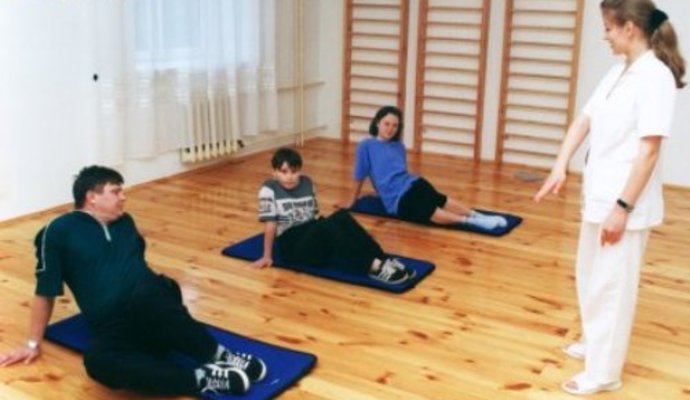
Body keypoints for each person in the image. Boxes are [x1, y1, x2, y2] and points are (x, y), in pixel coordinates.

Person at [0, 166, 268, 397]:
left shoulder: (125, 222)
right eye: (116, 191)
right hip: (114, 326)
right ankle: (200, 379)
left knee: (150, 292)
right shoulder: (57, 232)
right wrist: (32, 344)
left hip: (152, 306)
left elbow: (139, 268)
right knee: (97, 362)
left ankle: (218, 355)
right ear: (92, 197)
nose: (123, 197)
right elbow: (45, 290)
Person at [534, 0, 685, 395]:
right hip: (598, 196)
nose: (605, 36)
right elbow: (583, 120)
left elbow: (649, 151)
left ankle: (604, 373)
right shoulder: (619, 71)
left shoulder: (655, 76)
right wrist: (559, 165)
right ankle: (594, 342)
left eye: (608, 28)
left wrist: (622, 208)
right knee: (590, 276)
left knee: (612, 288)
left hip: (624, 203)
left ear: (629, 27)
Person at [250, 147, 415, 285]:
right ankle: (373, 267)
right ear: (274, 173)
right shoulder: (269, 190)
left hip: (309, 233)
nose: (290, 176)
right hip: (292, 246)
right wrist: (267, 256)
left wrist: (329, 227)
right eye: (284, 172)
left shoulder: (306, 183)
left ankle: (382, 258)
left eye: (294, 171)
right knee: (326, 227)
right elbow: (270, 224)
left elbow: (313, 214)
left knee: (341, 216)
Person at [347, 105, 508, 230]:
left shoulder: (399, 146)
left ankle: (479, 217)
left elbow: (395, 173)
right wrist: (352, 201)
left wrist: (381, 190)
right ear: (377, 123)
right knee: (431, 209)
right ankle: (474, 221)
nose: (390, 129)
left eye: (395, 126)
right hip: (398, 198)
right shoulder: (366, 145)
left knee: (438, 199)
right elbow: (359, 175)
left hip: (412, 184)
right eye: (386, 124)